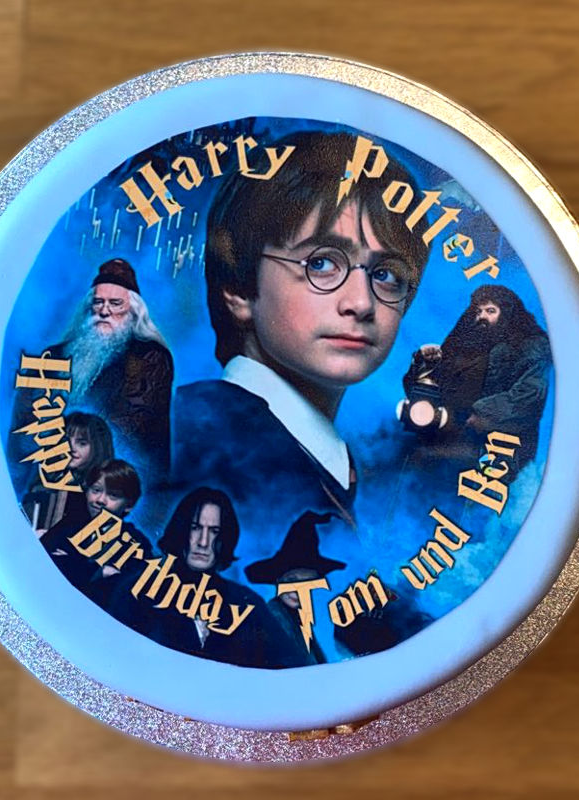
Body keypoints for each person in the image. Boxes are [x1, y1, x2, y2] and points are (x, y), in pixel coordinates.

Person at [171, 130, 431, 555]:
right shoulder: (193, 437)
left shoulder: (329, 457)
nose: (361, 303)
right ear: (238, 286)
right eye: (322, 263)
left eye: (386, 274)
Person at [12, 258, 173, 484]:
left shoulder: (149, 357)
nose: (104, 311)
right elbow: (24, 418)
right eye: (98, 303)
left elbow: (132, 425)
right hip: (48, 471)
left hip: (116, 479)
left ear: (134, 311)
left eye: (115, 304)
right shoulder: (54, 355)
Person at [109, 487, 300, 668]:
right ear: (181, 530)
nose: (203, 542)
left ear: (225, 538)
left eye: (214, 531)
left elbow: (289, 665)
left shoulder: (246, 603)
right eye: (195, 528)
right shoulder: (139, 588)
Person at [401, 284, 552, 477]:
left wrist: (480, 413)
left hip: (496, 448)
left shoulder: (532, 345)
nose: (482, 317)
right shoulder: (465, 343)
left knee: (429, 462)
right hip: (446, 434)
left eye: (490, 311)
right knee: (402, 454)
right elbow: (421, 397)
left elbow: (531, 395)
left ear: (507, 313)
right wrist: (422, 364)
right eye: (478, 311)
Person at [41, 458, 152, 605]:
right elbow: (42, 562)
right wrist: (98, 572)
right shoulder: (69, 525)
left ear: (129, 505)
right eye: (96, 490)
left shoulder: (136, 543)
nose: (100, 500)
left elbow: (123, 593)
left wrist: (70, 562)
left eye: (113, 495)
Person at [245, 511, 347, 666]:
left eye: (307, 582)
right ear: (278, 580)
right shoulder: (274, 616)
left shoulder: (299, 619)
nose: (297, 590)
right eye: (292, 580)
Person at [21, 411, 114, 531]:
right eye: (65, 440)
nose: (71, 448)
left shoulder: (98, 494)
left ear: (98, 448)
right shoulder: (45, 479)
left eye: (82, 443)